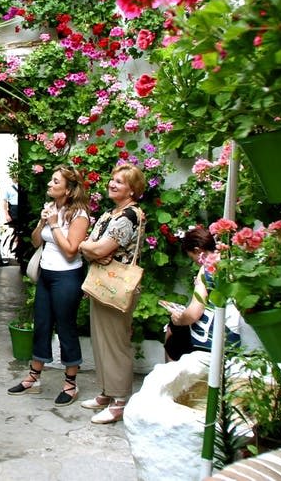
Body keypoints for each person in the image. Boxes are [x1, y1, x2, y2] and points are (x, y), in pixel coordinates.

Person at [8, 166, 90, 406]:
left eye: (55, 182)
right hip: (46, 275)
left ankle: (70, 385)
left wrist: (54, 224)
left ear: (68, 189)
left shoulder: (80, 215)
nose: (49, 185)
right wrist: (42, 223)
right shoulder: (52, 209)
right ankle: (33, 378)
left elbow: (71, 250)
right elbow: (36, 241)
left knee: (65, 328)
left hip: (67, 277)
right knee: (41, 325)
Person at [76, 164, 146, 425]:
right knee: (101, 339)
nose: (113, 184)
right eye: (112, 180)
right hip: (101, 283)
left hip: (117, 286)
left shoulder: (129, 216)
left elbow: (101, 248)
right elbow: (89, 246)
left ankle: (120, 402)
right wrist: (90, 248)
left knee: (116, 343)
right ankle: (107, 392)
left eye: (120, 182)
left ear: (132, 189)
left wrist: (90, 248)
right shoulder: (110, 214)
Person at [162, 226, 241, 361]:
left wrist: (178, 318)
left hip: (215, 334)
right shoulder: (234, 261)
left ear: (198, 251)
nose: (196, 263)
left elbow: (193, 314)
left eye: (193, 257)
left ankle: (172, 373)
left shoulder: (207, 269)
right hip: (238, 328)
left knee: (172, 328)